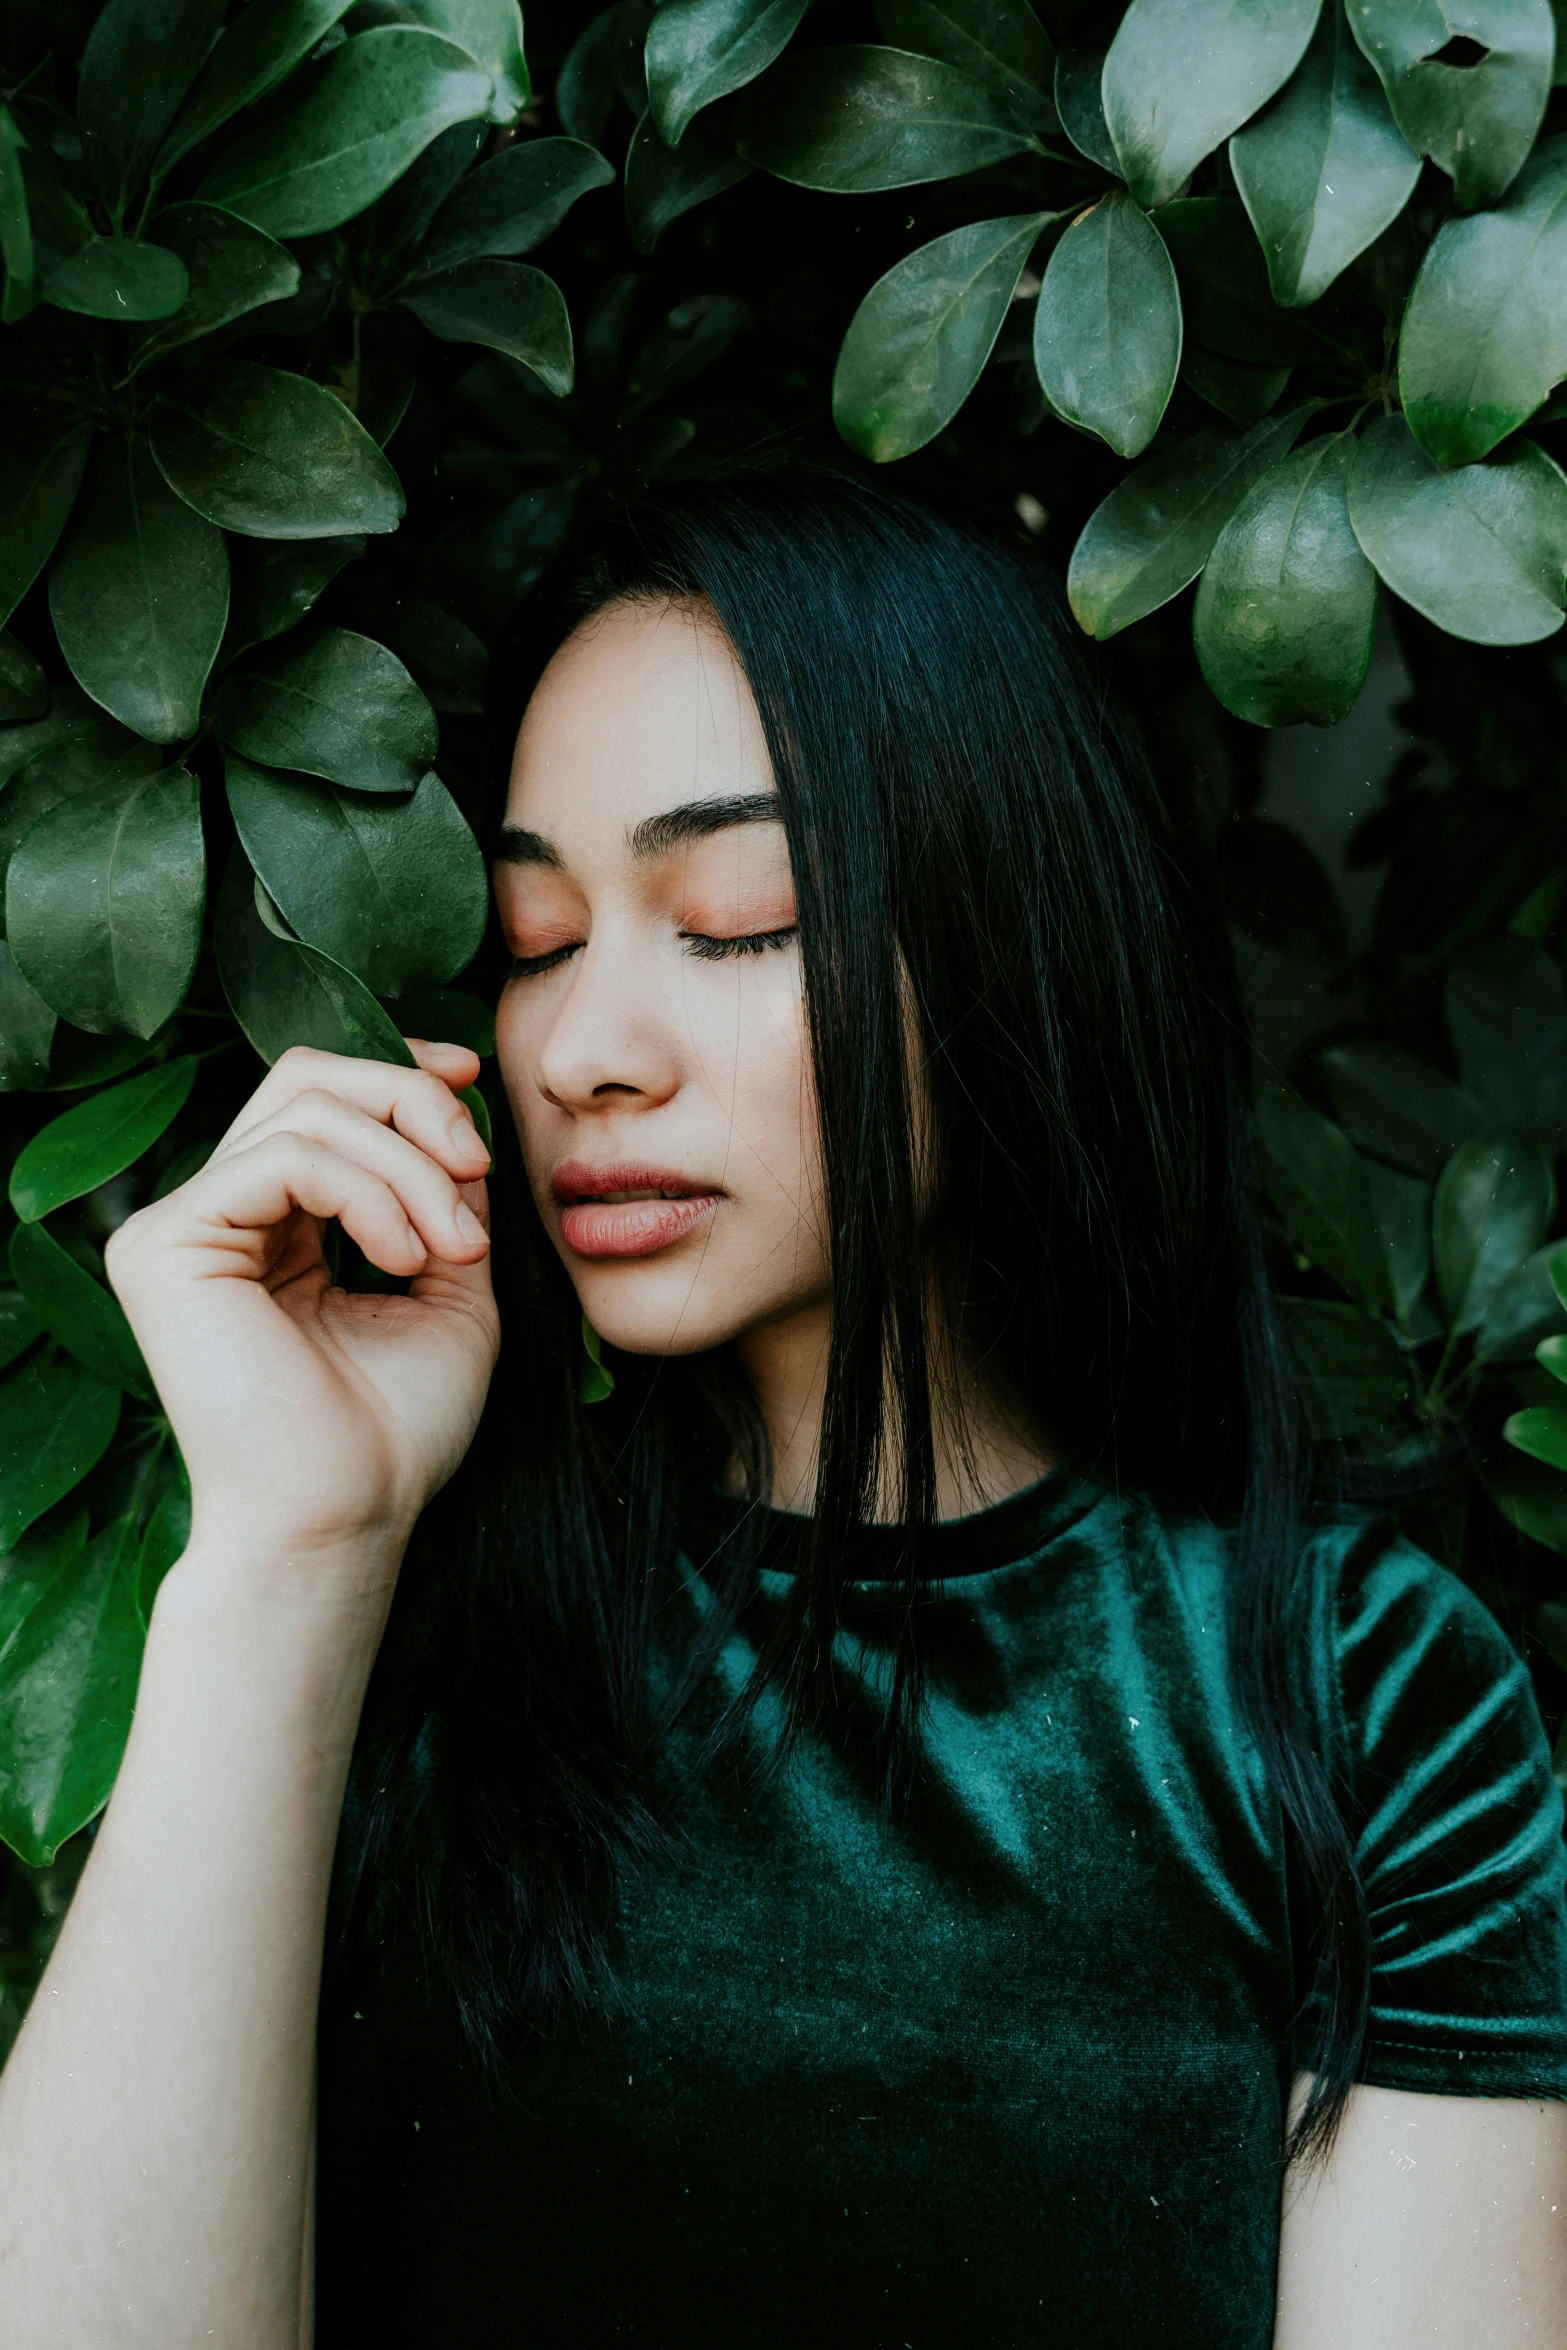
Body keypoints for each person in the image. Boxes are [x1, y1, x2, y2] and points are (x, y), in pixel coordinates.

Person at [0, 467, 1563, 2349]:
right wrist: (289, 1555)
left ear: (1009, 935)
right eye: (538, 938)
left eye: (736, 917)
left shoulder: (1356, 1692)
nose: (583, 1050)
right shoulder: (407, 1630)